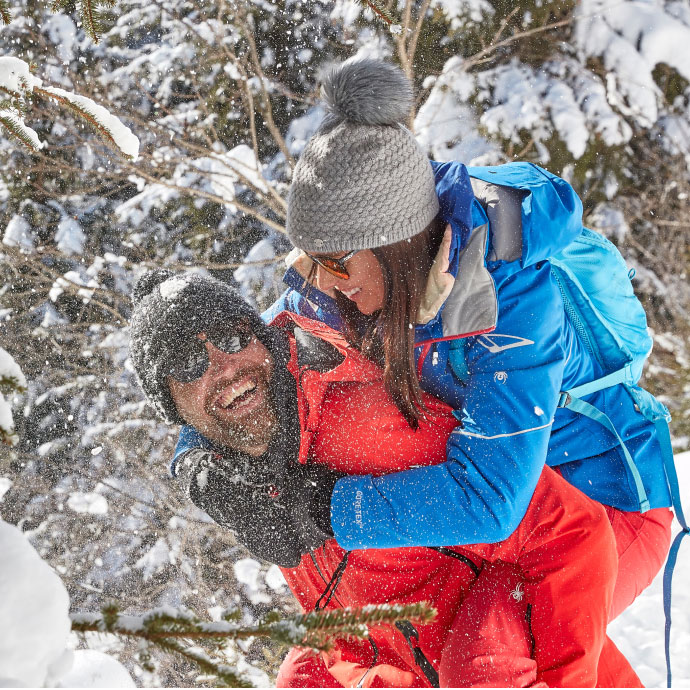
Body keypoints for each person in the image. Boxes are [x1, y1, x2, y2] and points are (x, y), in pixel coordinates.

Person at [271, 58, 675, 684]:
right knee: (325, 665)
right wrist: (199, 456)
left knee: (486, 649)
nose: (320, 284)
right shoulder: (354, 277)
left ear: (398, 242)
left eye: (335, 264)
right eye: (309, 261)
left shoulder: (511, 296)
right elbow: (247, 354)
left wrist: (329, 507)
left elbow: (491, 500)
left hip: (600, 504)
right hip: (508, 525)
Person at [129, 269, 641, 688]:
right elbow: (367, 622)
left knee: (478, 665)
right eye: (190, 363)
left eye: (233, 338)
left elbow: (572, 534)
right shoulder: (248, 482)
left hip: (531, 616)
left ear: (262, 340)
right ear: (171, 405)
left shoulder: (372, 428)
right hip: (428, 648)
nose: (226, 367)